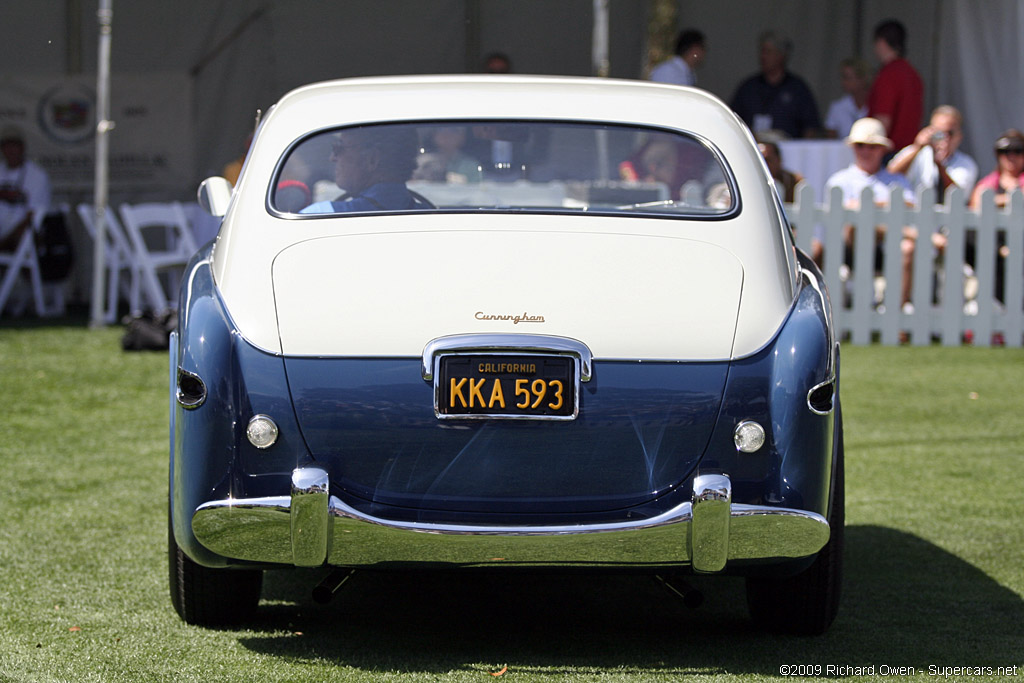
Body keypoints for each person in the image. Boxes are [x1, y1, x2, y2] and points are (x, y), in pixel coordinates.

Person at [824, 117, 916, 309]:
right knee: (858, 226)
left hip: (887, 248)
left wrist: (868, 205)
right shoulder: (840, 180)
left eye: (872, 146)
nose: (865, 151)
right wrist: (884, 204)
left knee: (907, 247)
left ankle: (898, 312)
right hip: (848, 249)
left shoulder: (897, 180)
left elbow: (910, 206)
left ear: (883, 149)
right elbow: (845, 212)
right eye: (860, 145)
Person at [300, 127, 427, 214]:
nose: (332, 158)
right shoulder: (432, 215)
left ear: (372, 159)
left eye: (339, 148)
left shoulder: (319, 214)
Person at [730, 30, 821, 139]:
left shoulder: (798, 89)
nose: (763, 57)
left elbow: (810, 127)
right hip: (753, 150)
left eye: (768, 52)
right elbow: (732, 121)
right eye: (762, 51)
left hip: (786, 151)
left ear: (781, 56)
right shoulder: (748, 87)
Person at [887, 106, 978, 203]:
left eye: (949, 133)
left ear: (959, 136)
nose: (944, 138)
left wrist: (939, 165)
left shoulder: (966, 164)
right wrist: (917, 147)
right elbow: (890, 175)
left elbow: (957, 196)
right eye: (939, 133)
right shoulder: (917, 152)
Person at [867, 19, 923, 153]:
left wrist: (872, 148)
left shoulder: (888, 74)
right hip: (909, 151)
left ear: (881, 42)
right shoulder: (912, 73)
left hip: (889, 151)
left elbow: (883, 119)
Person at [0, 126, 51, 253]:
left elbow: (34, 215)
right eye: (6, 146)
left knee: (23, 237)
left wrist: (6, 240)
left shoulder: (37, 175)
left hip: (22, 233)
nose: (10, 150)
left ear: (22, 148)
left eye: (14, 146)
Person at [969, 129, 1024, 209]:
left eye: (1017, 151)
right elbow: (977, 204)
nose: (1011, 157)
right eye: (1005, 151)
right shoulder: (988, 182)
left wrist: (995, 200)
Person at [824, 57, 870, 139]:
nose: (843, 82)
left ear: (862, 78)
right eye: (842, 77)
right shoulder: (837, 107)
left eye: (847, 77)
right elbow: (830, 140)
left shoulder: (877, 105)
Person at [756, 136, 803, 203]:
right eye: (759, 160)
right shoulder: (748, 181)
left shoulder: (794, 182)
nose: (763, 164)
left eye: (767, 160)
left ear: (778, 160)